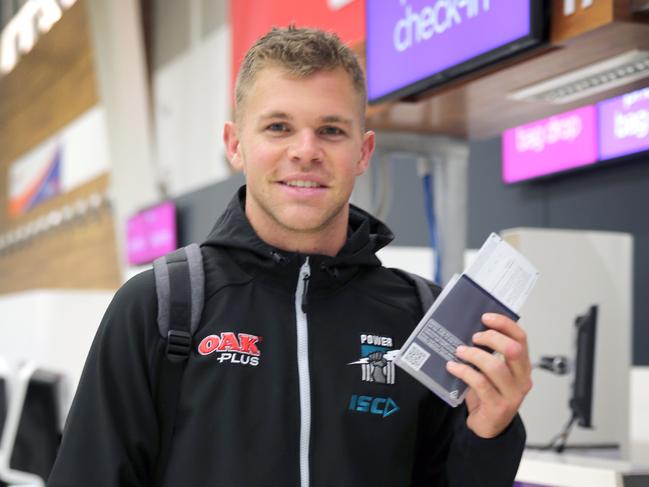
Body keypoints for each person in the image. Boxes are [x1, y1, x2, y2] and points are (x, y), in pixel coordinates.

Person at [48, 26, 532, 487]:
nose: (306, 151)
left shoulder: (420, 316)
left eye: (331, 131)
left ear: (363, 153)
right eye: (278, 127)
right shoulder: (159, 305)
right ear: (236, 144)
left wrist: (490, 430)